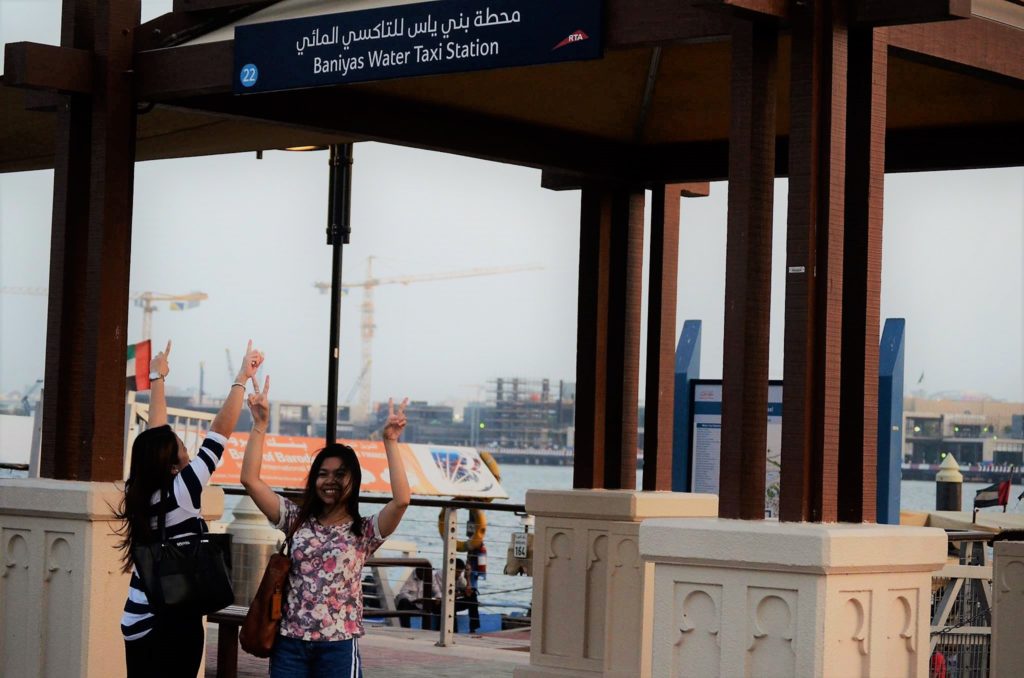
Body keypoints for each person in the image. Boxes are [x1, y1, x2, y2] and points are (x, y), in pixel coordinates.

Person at [241, 378, 411, 678]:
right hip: (289, 643)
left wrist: (390, 442)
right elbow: (250, 481)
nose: (329, 480)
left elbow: (401, 501)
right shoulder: (295, 519)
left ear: (353, 481)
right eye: (322, 474)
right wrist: (259, 425)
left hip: (338, 646)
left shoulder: (365, 532)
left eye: (340, 474)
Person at [117, 339, 264, 677]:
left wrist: (158, 378)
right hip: (171, 620)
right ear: (171, 466)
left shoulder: (141, 493)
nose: (188, 449)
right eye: (183, 446)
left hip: (138, 616)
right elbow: (219, 433)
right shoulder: (183, 490)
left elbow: (157, 433)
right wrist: (241, 377)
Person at [395, 559, 480, 632]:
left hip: (430, 603)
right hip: (417, 603)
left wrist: (467, 577)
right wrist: (415, 599)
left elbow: (437, 591)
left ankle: (474, 627)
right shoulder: (439, 575)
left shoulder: (431, 576)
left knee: (472, 596)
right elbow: (403, 593)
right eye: (457, 572)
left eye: (460, 572)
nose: (459, 574)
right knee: (447, 605)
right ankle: (406, 630)